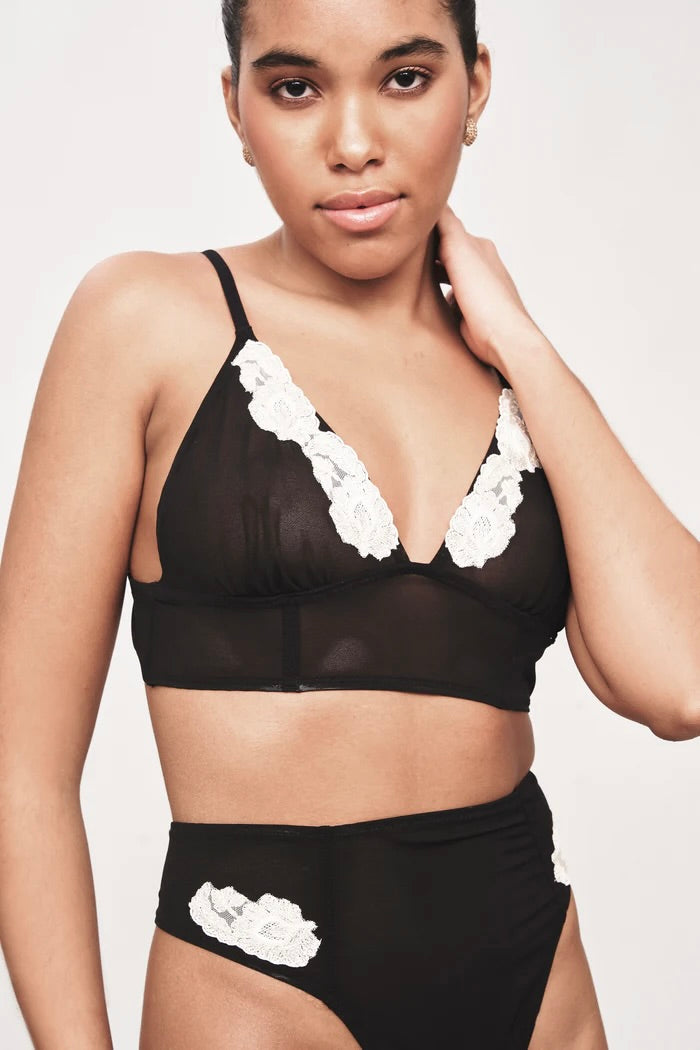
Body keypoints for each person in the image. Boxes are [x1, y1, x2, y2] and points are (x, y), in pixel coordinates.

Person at [1, 1, 698, 1047]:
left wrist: (521, 340)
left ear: (475, 85)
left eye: (405, 78)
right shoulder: (146, 321)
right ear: (235, 107)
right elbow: (21, 774)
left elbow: (681, 682)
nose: (354, 143)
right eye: (296, 88)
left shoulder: (509, 368)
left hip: (536, 984)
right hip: (260, 986)